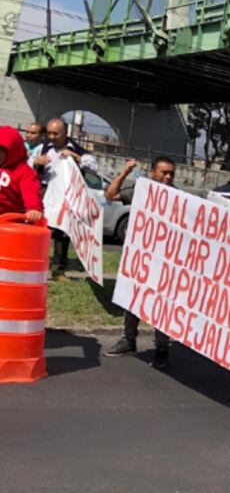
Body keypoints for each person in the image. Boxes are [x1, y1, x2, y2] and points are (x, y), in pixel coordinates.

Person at [103, 157, 177, 369]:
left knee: (161, 303)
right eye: (163, 172)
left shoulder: (178, 196)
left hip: (164, 260)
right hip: (140, 257)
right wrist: (125, 171)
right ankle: (128, 340)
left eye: (171, 173)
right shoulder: (140, 190)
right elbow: (110, 194)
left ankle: (162, 347)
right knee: (132, 298)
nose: (168, 177)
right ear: (153, 172)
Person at [38, 119, 100, 279]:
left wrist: (75, 156)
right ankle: (38, 262)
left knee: (62, 232)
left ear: (65, 133)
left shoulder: (76, 149)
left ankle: (59, 268)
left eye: (55, 133)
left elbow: (94, 167)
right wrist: (37, 163)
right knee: (40, 228)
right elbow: (29, 163)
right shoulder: (44, 147)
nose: (51, 136)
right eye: (49, 133)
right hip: (46, 192)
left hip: (67, 195)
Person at [0, 126, 43, 222]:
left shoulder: (24, 172)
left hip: (7, 221)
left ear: (12, 150)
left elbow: (31, 191)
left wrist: (34, 208)